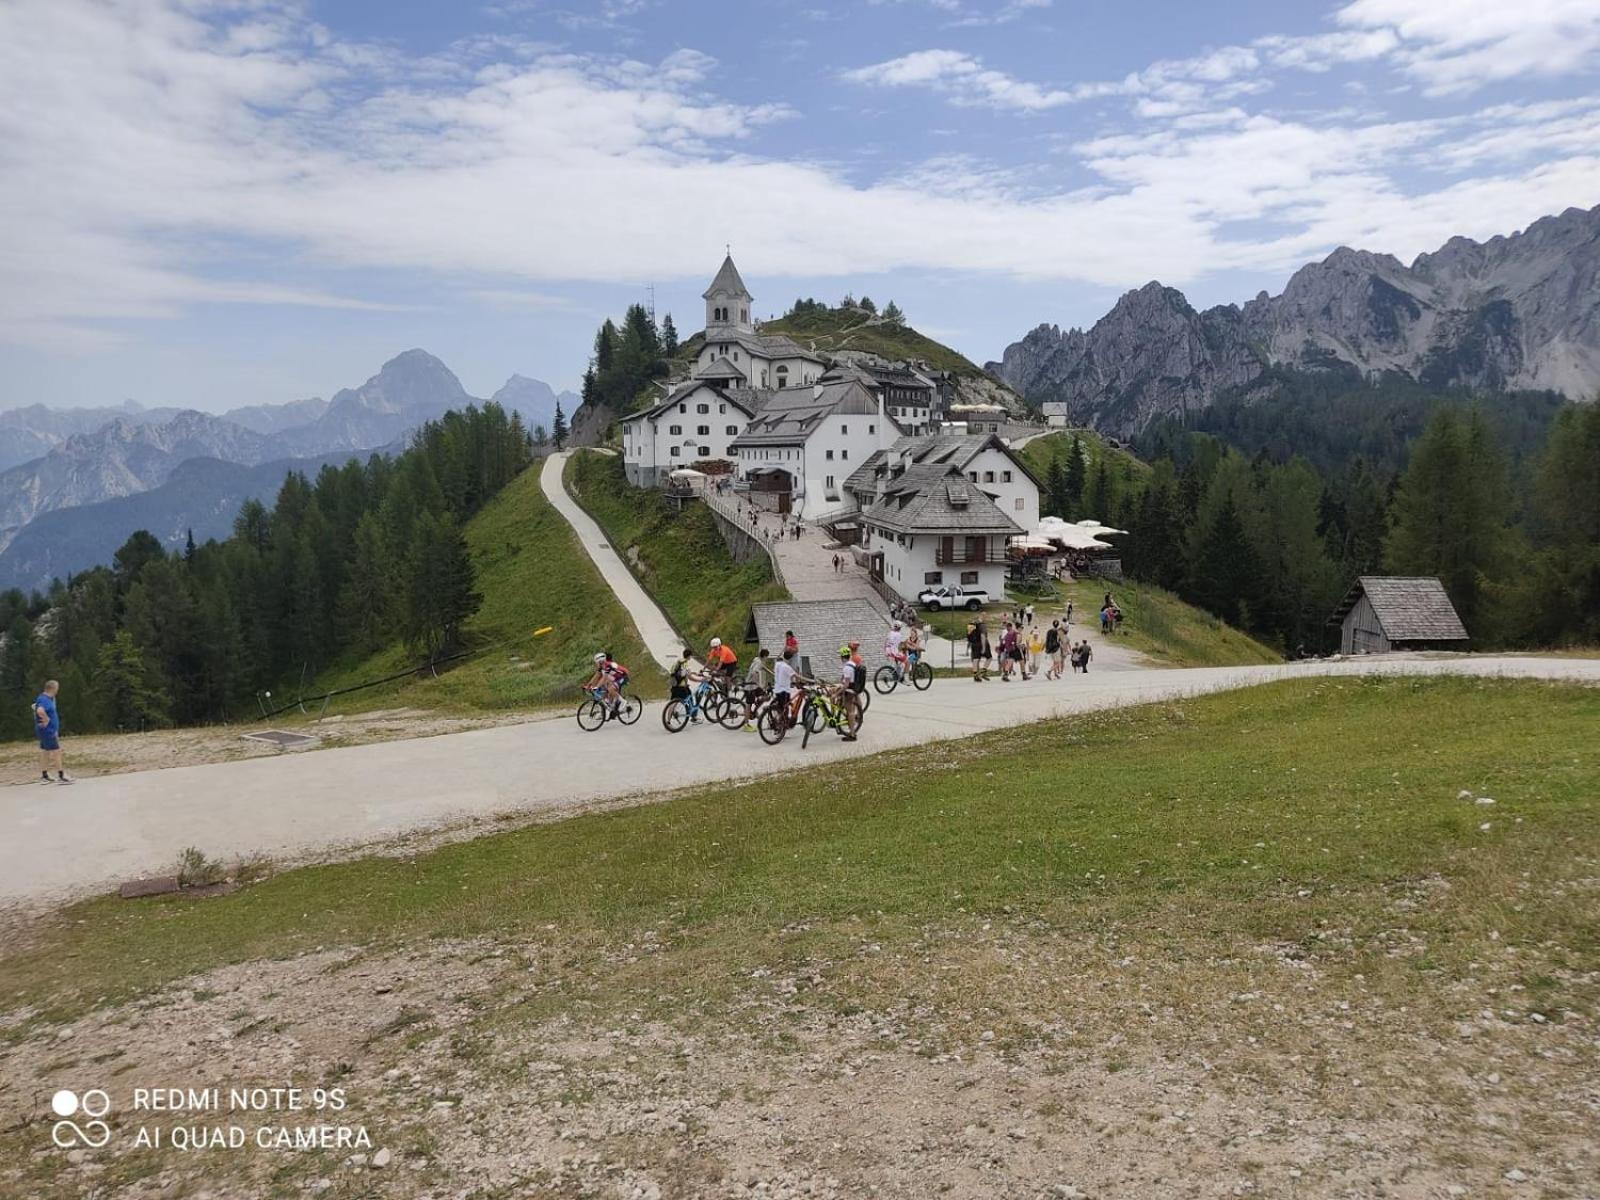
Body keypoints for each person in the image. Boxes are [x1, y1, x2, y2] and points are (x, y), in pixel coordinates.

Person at [34, 679, 70, 785]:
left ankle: (45, 775)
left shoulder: (47, 698)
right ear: (53, 689)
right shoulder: (44, 699)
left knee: (45, 751)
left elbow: (36, 707)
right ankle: (61, 775)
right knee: (56, 751)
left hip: (45, 730)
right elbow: (40, 710)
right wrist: (46, 719)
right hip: (48, 730)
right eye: (57, 688)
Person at [834, 645, 860, 741]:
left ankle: (852, 734)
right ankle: (846, 727)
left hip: (849, 690)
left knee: (850, 712)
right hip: (852, 688)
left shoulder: (847, 668)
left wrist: (836, 694)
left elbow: (846, 685)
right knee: (848, 710)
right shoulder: (851, 664)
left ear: (842, 656)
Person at [742, 649, 773, 731]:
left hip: (753, 686)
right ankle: (746, 725)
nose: (767, 658)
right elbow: (754, 673)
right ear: (765, 656)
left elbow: (763, 668)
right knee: (748, 705)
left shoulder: (757, 659)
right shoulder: (759, 662)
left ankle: (755, 711)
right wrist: (759, 684)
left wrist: (773, 673)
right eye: (767, 657)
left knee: (766, 696)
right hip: (750, 687)